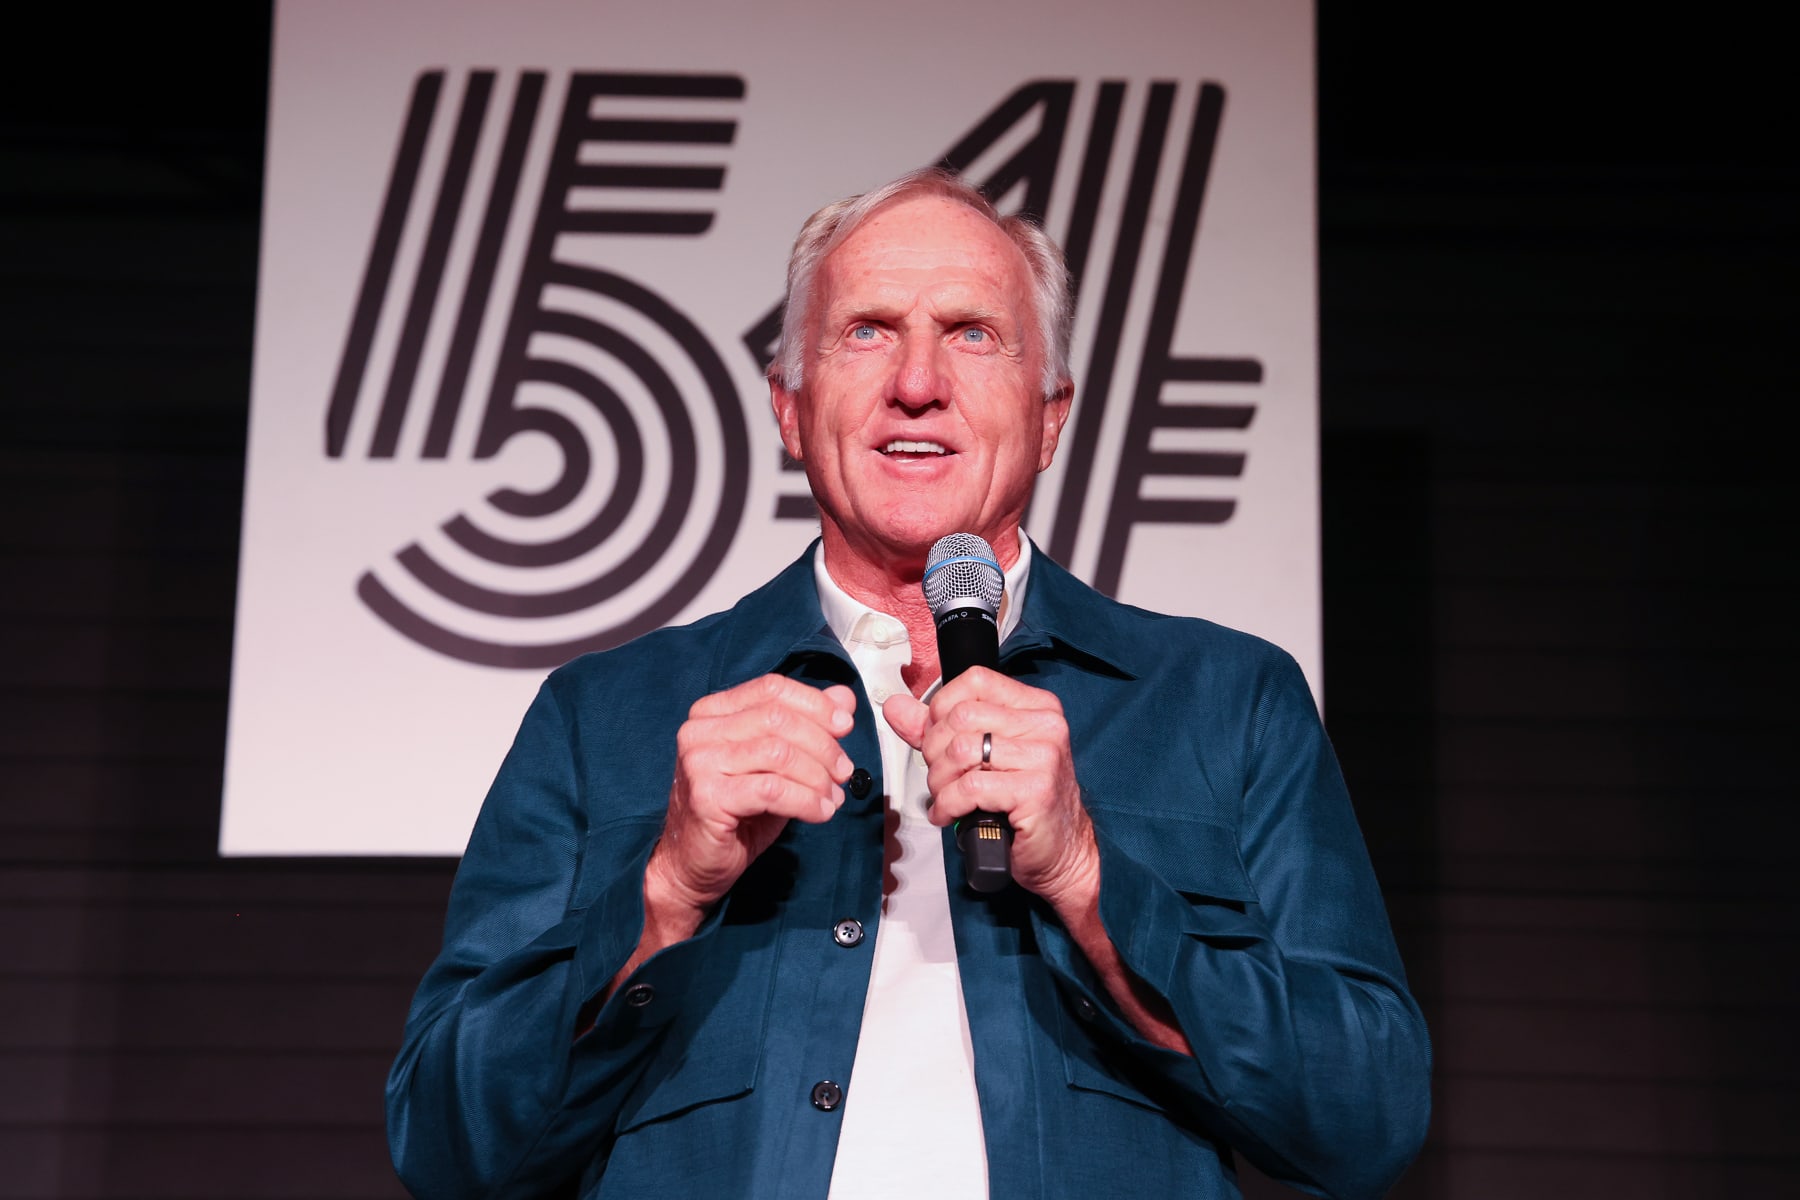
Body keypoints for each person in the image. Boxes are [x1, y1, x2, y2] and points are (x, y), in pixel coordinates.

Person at [386, 168, 1431, 1200]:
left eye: (974, 332)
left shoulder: (1226, 700)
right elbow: (444, 1144)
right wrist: (664, 895)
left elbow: (1366, 1120)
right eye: (868, 331)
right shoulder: (605, 714)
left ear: (1053, 413)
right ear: (792, 409)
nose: (918, 381)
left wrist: (1086, 878)